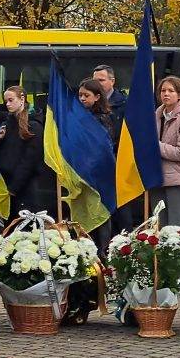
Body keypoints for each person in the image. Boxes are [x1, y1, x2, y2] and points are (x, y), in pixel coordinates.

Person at [149, 76, 180, 230]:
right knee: (159, 225)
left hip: (178, 180)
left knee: (177, 228)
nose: (166, 94)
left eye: (171, 90)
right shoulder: (156, 116)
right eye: (163, 90)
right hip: (157, 178)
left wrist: (156, 146)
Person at [0, 85, 46, 219]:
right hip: (8, 182)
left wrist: (14, 187)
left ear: (22, 99)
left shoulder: (33, 125)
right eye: (6, 101)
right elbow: (3, 152)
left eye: (11, 100)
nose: (8, 104)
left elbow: (30, 160)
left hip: (25, 187)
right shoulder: (8, 122)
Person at [94, 64, 134, 231]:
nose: (97, 84)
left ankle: (125, 242)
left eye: (101, 80)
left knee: (121, 205)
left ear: (112, 81)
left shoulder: (123, 103)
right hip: (97, 162)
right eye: (94, 80)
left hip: (118, 160)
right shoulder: (90, 103)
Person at [78, 78, 114, 249]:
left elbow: (102, 149)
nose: (82, 99)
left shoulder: (102, 119)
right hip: (83, 173)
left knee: (100, 214)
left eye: (86, 95)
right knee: (86, 214)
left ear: (97, 97)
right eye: (80, 95)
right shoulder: (81, 117)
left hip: (98, 174)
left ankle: (103, 250)